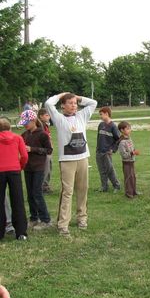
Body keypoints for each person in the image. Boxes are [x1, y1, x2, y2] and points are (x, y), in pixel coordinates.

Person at [45, 92, 97, 237]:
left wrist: (78, 97)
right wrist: (62, 94)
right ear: (63, 105)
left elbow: (94, 103)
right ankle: (63, 225)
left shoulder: (82, 116)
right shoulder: (59, 118)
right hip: (67, 160)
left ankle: (82, 218)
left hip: (83, 158)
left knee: (83, 189)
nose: (74, 105)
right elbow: (49, 104)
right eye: (70, 103)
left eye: (75, 103)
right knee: (67, 192)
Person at [19, 110, 53, 230]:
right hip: (28, 167)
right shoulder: (24, 135)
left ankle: (46, 219)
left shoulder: (42, 134)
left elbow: (49, 150)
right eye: (23, 123)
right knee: (30, 194)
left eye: (26, 122)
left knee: (37, 193)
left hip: (39, 167)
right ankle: (34, 218)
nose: (25, 125)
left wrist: (32, 149)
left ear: (33, 121)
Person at [0, 118, 28, 241]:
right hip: (14, 170)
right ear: (9, 127)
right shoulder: (17, 138)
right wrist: (20, 166)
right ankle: (21, 232)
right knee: (18, 201)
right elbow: (24, 155)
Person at [95, 107, 121, 193]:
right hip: (99, 151)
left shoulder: (113, 126)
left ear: (106, 114)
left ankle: (116, 186)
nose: (100, 116)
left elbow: (118, 139)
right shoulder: (101, 125)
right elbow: (99, 138)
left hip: (107, 152)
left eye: (101, 114)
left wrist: (112, 149)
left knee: (110, 169)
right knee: (101, 170)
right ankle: (104, 186)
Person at [117, 121, 140, 198]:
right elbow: (124, 154)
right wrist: (132, 153)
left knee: (133, 177)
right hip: (126, 163)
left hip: (132, 161)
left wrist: (134, 151)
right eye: (127, 128)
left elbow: (132, 148)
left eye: (130, 128)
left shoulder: (129, 139)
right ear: (122, 130)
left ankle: (134, 191)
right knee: (128, 178)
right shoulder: (122, 142)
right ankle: (128, 193)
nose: (129, 130)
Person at [37, 108, 53, 194]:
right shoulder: (40, 126)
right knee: (45, 170)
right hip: (45, 151)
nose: (49, 117)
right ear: (41, 116)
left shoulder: (45, 125)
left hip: (49, 151)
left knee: (49, 169)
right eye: (47, 115)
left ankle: (45, 186)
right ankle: (43, 187)